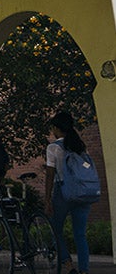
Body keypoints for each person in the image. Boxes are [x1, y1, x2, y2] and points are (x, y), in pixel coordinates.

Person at [45, 111, 91, 274]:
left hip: (63, 191)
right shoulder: (80, 146)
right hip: (83, 191)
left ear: (57, 128)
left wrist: (47, 199)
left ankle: (68, 264)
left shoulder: (53, 147)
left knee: (55, 229)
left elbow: (50, 175)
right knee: (80, 234)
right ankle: (84, 270)